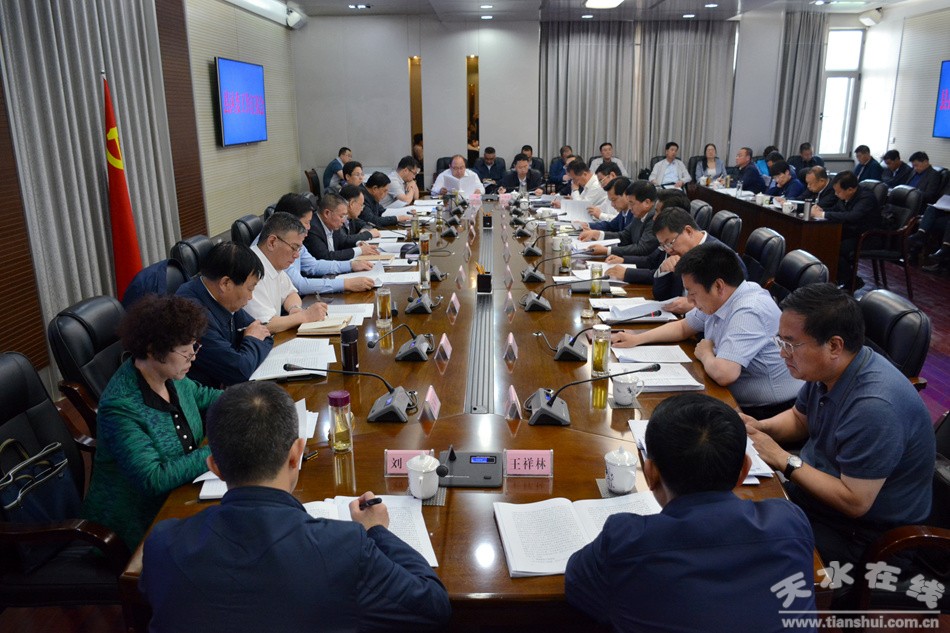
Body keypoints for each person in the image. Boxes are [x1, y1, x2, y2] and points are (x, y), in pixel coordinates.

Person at [140, 381, 452, 632]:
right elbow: (433, 606)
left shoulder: (161, 545)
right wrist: (376, 531)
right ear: (296, 454)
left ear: (215, 467)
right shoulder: (344, 547)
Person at [566, 394, 816, 632]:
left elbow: (577, 588)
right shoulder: (789, 522)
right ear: (744, 470)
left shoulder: (626, 541)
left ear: (650, 473)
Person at [745, 284, 934, 567]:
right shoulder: (828, 369)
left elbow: (854, 502)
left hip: (861, 535)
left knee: (749, 551)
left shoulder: (875, 406)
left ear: (834, 345)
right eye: (780, 341)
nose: (783, 353)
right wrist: (759, 427)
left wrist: (782, 458)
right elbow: (799, 419)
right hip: (815, 499)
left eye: (790, 344)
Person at [82, 295, 222, 549]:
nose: (193, 356)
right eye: (185, 350)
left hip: (180, 497)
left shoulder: (172, 377)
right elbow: (152, 478)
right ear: (152, 349)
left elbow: (205, 396)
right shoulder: (121, 407)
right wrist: (219, 450)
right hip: (137, 528)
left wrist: (257, 398)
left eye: (194, 346)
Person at [613, 244, 803, 418]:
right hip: (728, 395)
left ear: (718, 286)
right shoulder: (723, 299)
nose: (689, 301)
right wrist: (637, 338)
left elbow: (725, 374)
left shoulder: (749, 309)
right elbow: (683, 327)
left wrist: (705, 354)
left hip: (769, 412)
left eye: (692, 293)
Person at [176, 242, 272, 387]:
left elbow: (264, 334)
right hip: (206, 396)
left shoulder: (222, 297)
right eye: (250, 289)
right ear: (225, 283)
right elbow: (239, 372)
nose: (251, 297)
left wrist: (248, 347)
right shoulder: (192, 314)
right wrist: (251, 339)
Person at [271, 193, 375, 296]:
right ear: (288, 222)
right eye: (306, 222)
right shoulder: (278, 244)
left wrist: (350, 265)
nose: (309, 227)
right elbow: (299, 285)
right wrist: (346, 284)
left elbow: (314, 265)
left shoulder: (294, 240)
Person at [650, 207, 746, 313]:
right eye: (663, 246)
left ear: (688, 231)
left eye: (669, 243)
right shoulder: (680, 253)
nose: (669, 250)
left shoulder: (724, 259)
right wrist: (663, 270)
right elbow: (661, 296)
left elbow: (736, 303)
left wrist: (694, 306)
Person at [246, 211, 329, 333]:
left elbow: (290, 293)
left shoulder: (273, 262)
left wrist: (294, 309)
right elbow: (264, 325)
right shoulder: (250, 268)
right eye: (294, 248)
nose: (296, 255)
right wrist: (304, 316)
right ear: (272, 242)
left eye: (299, 249)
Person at [809, 171, 880, 288]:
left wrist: (823, 214)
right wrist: (821, 210)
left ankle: (851, 281)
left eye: (838, 192)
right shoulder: (845, 195)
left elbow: (853, 216)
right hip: (849, 232)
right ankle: (830, 278)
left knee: (835, 247)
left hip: (867, 237)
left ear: (850, 190)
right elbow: (836, 209)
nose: (836, 194)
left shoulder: (866, 197)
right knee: (822, 240)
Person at [583, 179, 658, 260]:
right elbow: (625, 236)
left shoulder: (654, 217)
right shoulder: (639, 214)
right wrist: (598, 234)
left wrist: (607, 250)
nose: (630, 208)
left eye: (632, 203)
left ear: (647, 203)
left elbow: (642, 248)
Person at [306, 191, 382, 262]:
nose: (344, 220)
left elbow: (342, 241)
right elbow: (326, 257)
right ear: (327, 213)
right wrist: (360, 250)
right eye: (341, 216)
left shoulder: (332, 224)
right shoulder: (312, 228)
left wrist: (358, 244)